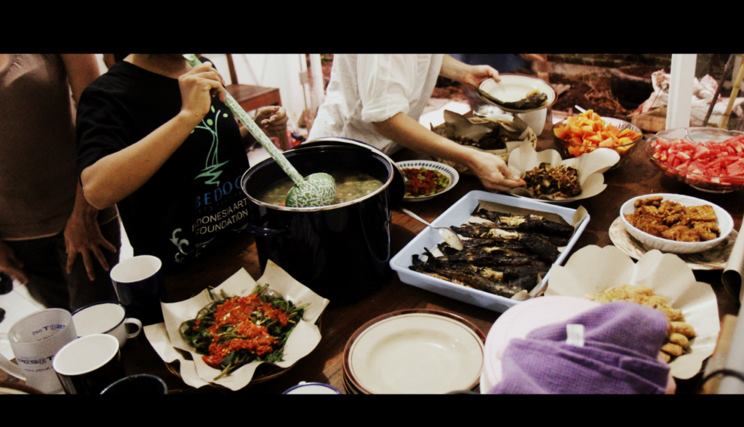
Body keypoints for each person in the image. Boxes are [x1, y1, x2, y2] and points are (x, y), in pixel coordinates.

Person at [75, 54, 287, 300]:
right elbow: (97, 190)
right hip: (181, 277)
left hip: (243, 247)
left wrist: (253, 128)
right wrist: (187, 116)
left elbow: (208, 146)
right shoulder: (108, 95)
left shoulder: (202, 65)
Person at [0, 53, 121, 311]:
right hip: (17, 239)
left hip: (82, 212)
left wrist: (84, 213)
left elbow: (99, 117)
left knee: (103, 326)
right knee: (64, 335)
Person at [308, 54, 525, 192]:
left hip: (391, 150)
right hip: (345, 160)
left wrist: (463, 71)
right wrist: (471, 157)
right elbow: (385, 119)